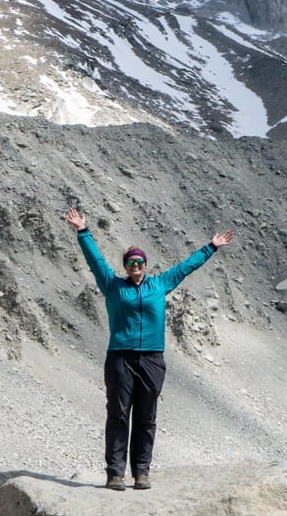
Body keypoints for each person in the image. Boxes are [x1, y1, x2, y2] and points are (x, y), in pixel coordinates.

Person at [63, 208, 232, 491]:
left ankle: (141, 473)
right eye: (130, 262)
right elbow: (95, 261)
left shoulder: (159, 284)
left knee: (146, 417)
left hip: (152, 359)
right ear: (126, 266)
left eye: (140, 261)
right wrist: (83, 231)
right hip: (120, 358)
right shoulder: (113, 286)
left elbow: (185, 267)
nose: (136, 265)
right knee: (118, 415)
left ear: (145, 263)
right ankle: (115, 474)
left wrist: (211, 248)